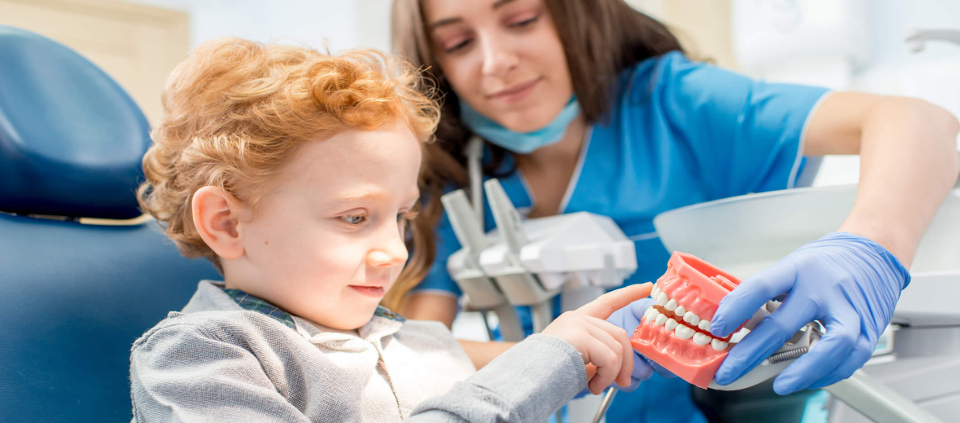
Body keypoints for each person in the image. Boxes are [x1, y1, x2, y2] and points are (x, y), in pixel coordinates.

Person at [388, 0, 960, 421]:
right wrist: (557, 358)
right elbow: (418, 347)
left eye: (520, 20)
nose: (496, 62)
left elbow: (920, 121)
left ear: (575, 15)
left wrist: (871, 248)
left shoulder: (673, 104)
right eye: (459, 43)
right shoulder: (454, 177)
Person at [129, 37, 652, 422]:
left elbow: (550, 359)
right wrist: (541, 366)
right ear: (225, 222)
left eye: (400, 218)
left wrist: (629, 336)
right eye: (355, 218)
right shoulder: (199, 356)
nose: (394, 254)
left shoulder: (407, 341)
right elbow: (525, 375)